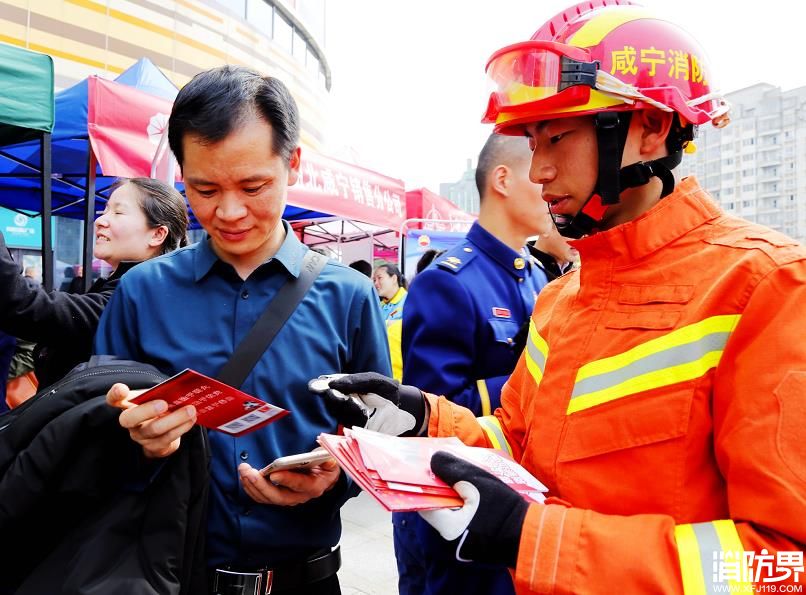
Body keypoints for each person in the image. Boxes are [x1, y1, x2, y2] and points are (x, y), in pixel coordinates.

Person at [313, 3, 806, 593]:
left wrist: (538, 540)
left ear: (649, 127)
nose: (539, 169)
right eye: (532, 140)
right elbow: (517, 445)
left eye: (559, 137)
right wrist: (425, 417)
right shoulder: (562, 297)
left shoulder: (765, 288)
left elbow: (783, 565)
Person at [98, 65, 391, 595]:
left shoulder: (349, 296)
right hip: (171, 575)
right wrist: (138, 441)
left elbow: (375, 438)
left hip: (306, 577)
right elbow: (99, 437)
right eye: (204, 189)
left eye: (254, 186)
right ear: (181, 175)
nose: (229, 212)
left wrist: (336, 477)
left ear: (293, 163)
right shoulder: (141, 292)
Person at [394, 133, 551, 595]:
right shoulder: (448, 282)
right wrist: (539, 381)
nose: (550, 181)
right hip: (460, 519)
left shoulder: (537, 276)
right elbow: (428, 418)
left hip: (526, 509)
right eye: (539, 169)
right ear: (502, 178)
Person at [0, 177, 189, 388]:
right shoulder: (128, 288)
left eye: (118, 212)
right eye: (105, 210)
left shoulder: (143, 299)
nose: (100, 220)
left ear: (157, 234)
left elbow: (22, 304)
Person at [373, 262, 407, 380]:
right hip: (382, 372)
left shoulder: (409, 301)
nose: (376, 283)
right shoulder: (378, 306)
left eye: (380, 278)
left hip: (402, 375)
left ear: (393, 278)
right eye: (374, 280)